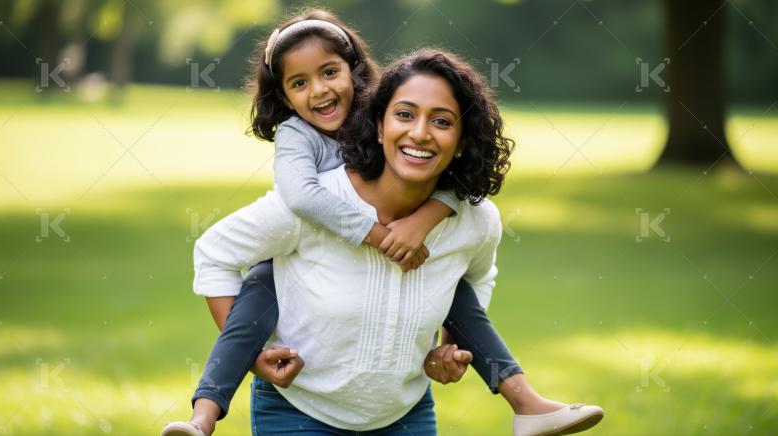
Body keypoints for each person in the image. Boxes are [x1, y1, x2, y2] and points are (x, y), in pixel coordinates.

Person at [162, 11, 603, 436]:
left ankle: (525, 403)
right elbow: (294, 200)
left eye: (329, 72)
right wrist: (377, 234)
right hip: (299, 403)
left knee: (456, 287)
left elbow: (472, 258)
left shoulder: (467, 213)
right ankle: (204, 415)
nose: (319, 90)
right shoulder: (298, 140)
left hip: (405, 412)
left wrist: (446, 339)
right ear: (379, 125)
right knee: (262, 281)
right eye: (299, 83)